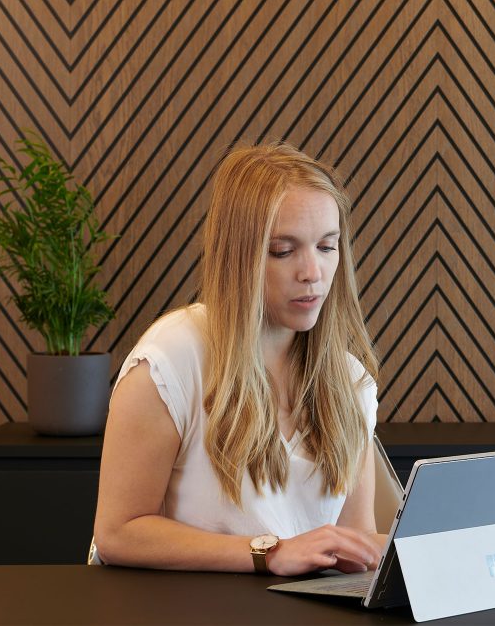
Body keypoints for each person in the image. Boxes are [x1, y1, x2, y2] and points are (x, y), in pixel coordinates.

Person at [92, 141, 384, 575]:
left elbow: (355, 545)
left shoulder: (350, 380)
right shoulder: (170, 361)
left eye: (327, 246)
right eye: (283, 250)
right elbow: (118, 533)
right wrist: (271, 553)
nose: (313, 272)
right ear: (238, 256)